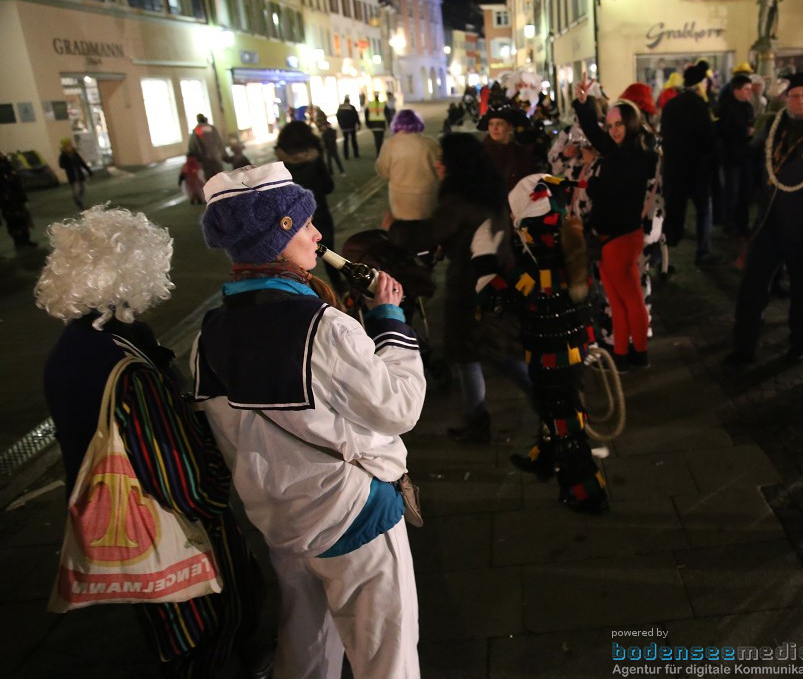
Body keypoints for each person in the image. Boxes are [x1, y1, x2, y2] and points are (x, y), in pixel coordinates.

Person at [194, 163, 424, 679]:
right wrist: (389, 321)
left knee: (306, 647)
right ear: (275, 238)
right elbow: (399, 407)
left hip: (279, 518)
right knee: (386, 656)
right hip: (352, 515)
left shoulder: (210, 333)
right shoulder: (323, 326)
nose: (318, 234)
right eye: (303, 225)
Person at [37, 205, 267, 679]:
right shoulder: (128, 365)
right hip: (168, 527)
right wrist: (219, 485)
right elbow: (181, 477)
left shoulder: (70, 349)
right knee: (206, 630)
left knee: (170, 631)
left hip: (112, 520)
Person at [474, 172, 608, 514]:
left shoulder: (538, 272)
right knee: (558, 408)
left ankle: (588, 492)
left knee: (565, 420)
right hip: (566, 348)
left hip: (553, 354)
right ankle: (546, 458)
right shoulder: (568, 249)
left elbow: (496, 295)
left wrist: (486, 256)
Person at [388, 133, 531, 442]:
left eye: (443, 159)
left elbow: (426, 234)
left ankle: (550, 405)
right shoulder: (486, 191)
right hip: (492, 281)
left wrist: (394, 227)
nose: (438, 164)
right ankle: (477, 419)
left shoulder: (459, 198)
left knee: (497, 353)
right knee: (474, 354)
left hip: (473, 288)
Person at [730, 72, 803, 364]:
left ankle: (800, 342)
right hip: (769, 221)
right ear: (786, 99)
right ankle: (744, 345)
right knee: (752, 285)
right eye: (795, 96)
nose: (800, 102)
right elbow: (755, 162)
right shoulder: (775, 127)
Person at [574, 78, 659, 371]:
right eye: (610, 126)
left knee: (629, 299)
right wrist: (584, 104)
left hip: (621, 237)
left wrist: (594, 185)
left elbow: (611, 192)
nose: (613, 131)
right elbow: (595, 135)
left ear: (631, 123)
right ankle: (624, 355)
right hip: (613, 235)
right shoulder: (619, 150)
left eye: (619, 124)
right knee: (620, 299)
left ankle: (635, 354)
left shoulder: (635, 155)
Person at [275, 120, 344, 293]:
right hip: (319, 213)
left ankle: (305, 292)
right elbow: (329, 186)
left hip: (293, 220)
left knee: (300, 260)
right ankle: (338, 289)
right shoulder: (315, 159)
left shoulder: (280, 164)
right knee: (329, 255)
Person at [660, 62, 717, 264]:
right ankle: (702, 252)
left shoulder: (671, 105)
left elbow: (664, 134)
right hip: (697, 169)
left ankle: (664, 256)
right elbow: (708, 139)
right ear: (701, 82)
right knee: (703, 210)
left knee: (673, 210)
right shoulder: (700, 106)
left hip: (675, 168)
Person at [376, 109, 440, 220]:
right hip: (427, 195)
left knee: (404, 229)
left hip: (401, 198)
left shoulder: (390, 144)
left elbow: (383, 171)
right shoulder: (430, 144)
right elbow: (440, 170)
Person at [716, 74, 757, 237]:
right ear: (736, 90)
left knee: (745, 191)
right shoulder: (725, 108)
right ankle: (730, 224)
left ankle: (743, 223)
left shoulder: (748, 107)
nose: (750, 93)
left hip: (745, 156)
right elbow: (722, 131)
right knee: (732, 192)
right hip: (731, 156)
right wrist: (744, 131)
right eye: (746, 89)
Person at [479, 104, 541, 194]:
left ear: (510, 126)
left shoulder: (521, 154)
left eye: (499, 124)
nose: (494, 128)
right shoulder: (479, 155)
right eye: (491, 124)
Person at [0, 154, 35, 249]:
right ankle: (19, 241)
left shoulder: (8, 166)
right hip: (7, 201)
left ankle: (25, 240)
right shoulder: (6, 168)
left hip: (15, 198)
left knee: (21, 220)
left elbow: (17, 183)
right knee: (13, 222)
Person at [188, 114, 228, 180]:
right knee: (220, 177)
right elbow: (220, 142)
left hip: (205, 159)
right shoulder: (212, 128)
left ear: (197, 120)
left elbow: (194, 145)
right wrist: (224, 155)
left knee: (209, 179)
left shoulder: (197, 130)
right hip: (216, 156)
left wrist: (197, 158)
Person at [58, 138, 92, 210]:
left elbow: (81, 162)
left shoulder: (75, 153)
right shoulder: (63, 155)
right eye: (68, 145)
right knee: (76, 189)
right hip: (72, 175)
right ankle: (79, 202)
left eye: (70, 144)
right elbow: (61, 165)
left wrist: (88, 170)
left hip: (79, 174)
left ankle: (77, 198)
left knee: (82, 188)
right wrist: (69, 165)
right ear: (64, 147)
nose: (70, 146)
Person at [336, 95, 362, 160]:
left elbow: (338, 116)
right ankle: (356, 154)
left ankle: (346, 155)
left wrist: (340, 124)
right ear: (349, 100)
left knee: (345, 140)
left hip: (344, 127)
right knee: (353, 140)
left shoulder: (340, 107)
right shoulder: (351, 107)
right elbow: (356, 116)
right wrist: (358, 124)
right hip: (351, 126)